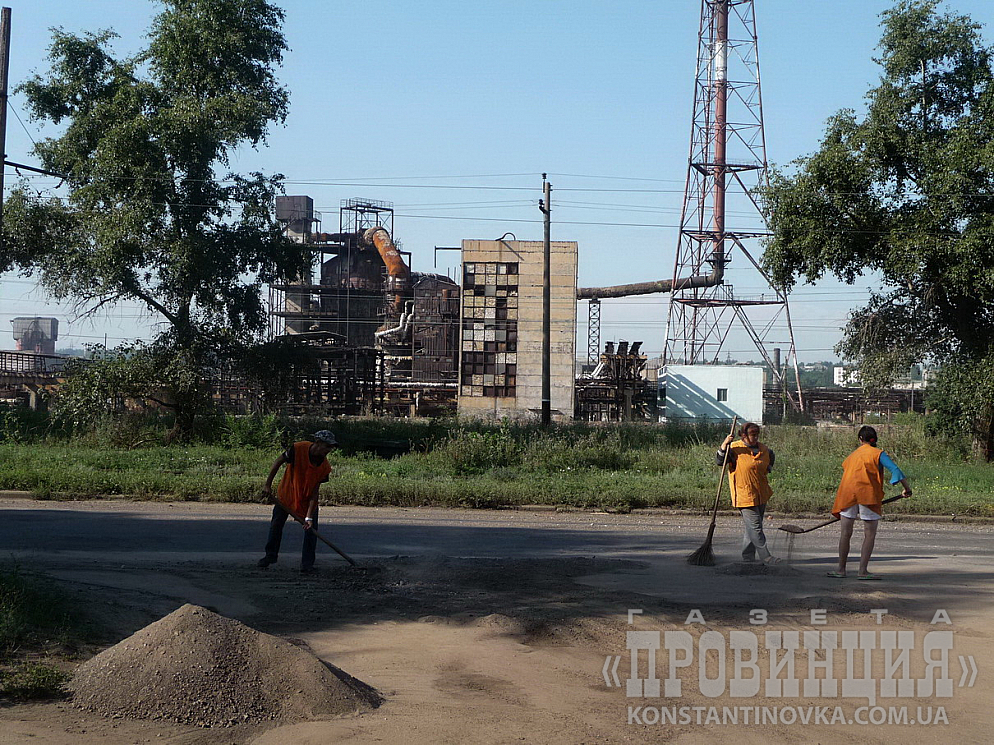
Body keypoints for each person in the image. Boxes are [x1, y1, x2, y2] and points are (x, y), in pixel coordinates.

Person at [827, 425, 911, 580]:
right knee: (869, 534)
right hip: (868, 496)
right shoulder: (878, 454)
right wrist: (907, 488)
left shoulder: (852, 456)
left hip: (848, 496)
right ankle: (862, 571)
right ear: (874, 440)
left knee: (845, 533)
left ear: (860, 439)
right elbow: (896, 470)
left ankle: (840, 570)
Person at [257, 430, 338, 574]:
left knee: (311, 531)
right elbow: (278, 462)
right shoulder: (298, 449)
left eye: (330, 448)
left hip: (307, 501)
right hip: (286, 495)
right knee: (276, 525)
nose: (329, 450)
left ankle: (307, 564)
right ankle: (270, 556)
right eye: (327, 446)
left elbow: (315, 492)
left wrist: (308, 517)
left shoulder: (325, 467)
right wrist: (267, 485)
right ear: (318, 443)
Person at [717, 422, 782, 565]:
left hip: (761, 493)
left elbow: (771, 458)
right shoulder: (734, 448)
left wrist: (768, 469)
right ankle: (766, 556)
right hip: (744, 494)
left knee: (751, 527)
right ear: (744, 435)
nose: (756, 438)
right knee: (755, 526)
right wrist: (724, 444)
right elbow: (720, 461)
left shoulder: (764, 449)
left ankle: (748, 558)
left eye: (757, 435)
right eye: (753, 435)